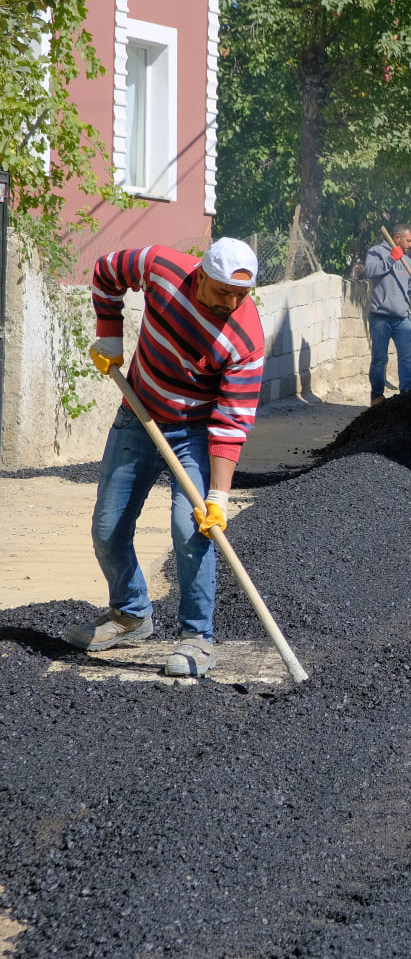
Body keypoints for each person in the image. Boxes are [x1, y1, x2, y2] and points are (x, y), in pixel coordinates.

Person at [64, 237, 264, 677]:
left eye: (241, 294)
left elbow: (232, 424)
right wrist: (109, 334)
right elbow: (106, 272)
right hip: (138, 410)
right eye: (223, 291)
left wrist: (219, 498)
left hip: (194, 431)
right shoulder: (160, 267)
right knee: (107, 528)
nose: (231, 302)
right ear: (201, 277)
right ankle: (131, 614)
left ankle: (197, 637)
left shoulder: (245, 339)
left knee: (190, 526)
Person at [365, 223, 411, 405]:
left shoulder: (407, 261)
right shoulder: (376, 252)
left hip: (402, 318)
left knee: (407, 358)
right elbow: (370, 271)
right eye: (408, 241)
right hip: (380, 317)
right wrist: (391, 259)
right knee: (380, 359)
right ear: (397, 238)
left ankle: (407, 396)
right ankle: (377, 397)